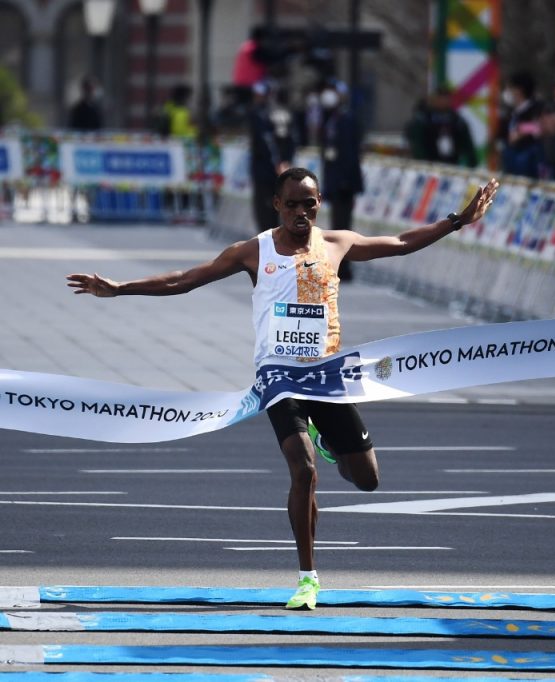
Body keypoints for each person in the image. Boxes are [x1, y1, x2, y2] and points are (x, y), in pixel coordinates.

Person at [66, 167, 501, 610]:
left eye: (308, 203)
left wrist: (457, 220)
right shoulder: (252, 251)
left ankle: (327, 438)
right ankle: (308, 578)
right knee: (303, 470)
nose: (300, 211)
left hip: (328, 374)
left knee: (367, 480)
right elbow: (186, 278)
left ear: (319, 203)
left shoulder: (337, 244)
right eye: (291, 203)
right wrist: (121, 288)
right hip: (278, 375)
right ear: (276, 204)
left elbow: (403, 244)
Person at [320, 82, 363, 281]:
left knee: (343, 227)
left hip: (343, 182)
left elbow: (349, 153)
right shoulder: (331, 118)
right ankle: (339, 266)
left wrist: (347, 180)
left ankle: (344, 268)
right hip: (334, 179)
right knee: (336, 225)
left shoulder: (347, 119)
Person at [248, 81, 296, 233]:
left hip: (267, 167)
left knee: (267, 208)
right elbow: (293, 139)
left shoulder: (262, 114)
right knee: (276, 205)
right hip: (278, 166)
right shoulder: (283, 112)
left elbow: (267, 140)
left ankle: (272, 240)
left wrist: (278, 161)